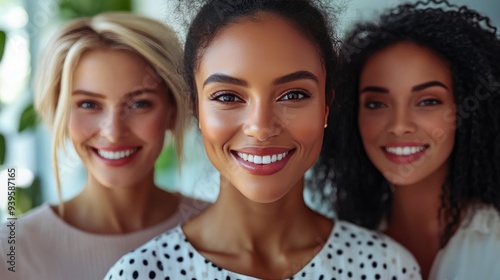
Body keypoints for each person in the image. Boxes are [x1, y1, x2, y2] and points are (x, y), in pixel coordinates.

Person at [105, 1, 421, 279]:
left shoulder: (386, 268)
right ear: (195, 109)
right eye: (228, 96)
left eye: (294, 94)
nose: (260, 127)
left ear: (326, 107)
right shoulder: (141, 273)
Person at [0, 13, 207, 280]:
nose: (112, 132)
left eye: (139, 103)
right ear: (59, 113)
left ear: (172, 111)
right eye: (88, 104)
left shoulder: (228, 231)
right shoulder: (11, 251)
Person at [312, 0, 500, 279]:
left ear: (466, 110)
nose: (399, 126)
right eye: (376, 104)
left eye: (427, 101)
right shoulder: (334, 249)